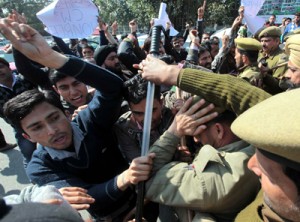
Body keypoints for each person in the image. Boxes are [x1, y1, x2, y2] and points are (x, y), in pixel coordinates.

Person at [0, 18, 155, 220]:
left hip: (147, 197)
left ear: (65, 113)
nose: (52, 130)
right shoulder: (39, 167)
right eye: (37, 127)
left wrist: (53, 59)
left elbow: (113, 88)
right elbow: (85, 197)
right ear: (27, 137)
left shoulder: (89, 120)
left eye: (54, 117)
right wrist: (125, 177)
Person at [145, 95, 260, 221]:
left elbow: (146, 178)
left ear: (218, 130)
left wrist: (175, 130)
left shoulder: (212, 178)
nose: (195, 139)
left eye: (198, 133)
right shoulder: (256, 147)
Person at [258, 26, 288, 94]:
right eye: (262, 41)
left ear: (277, 41)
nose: (263, 44)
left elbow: (279, 86)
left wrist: (265, 75)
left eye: (267, 41)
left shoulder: (282, 59)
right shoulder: (262, 54)